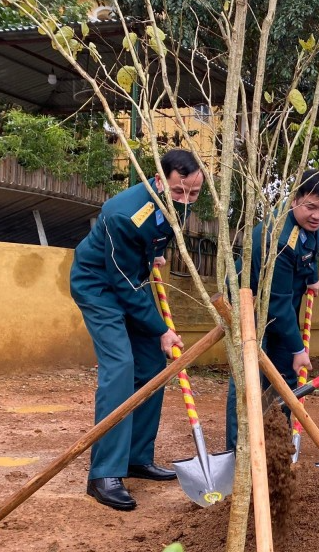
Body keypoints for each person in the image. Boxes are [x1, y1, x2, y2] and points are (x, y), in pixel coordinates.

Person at [70, 149, 204, 511]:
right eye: (179, 192)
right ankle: (103, 473)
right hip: (99, 287)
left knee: (151, 369)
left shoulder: (171, 206)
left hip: (130, 282)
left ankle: (135, 458)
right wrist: (161, 329)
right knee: (121, 368)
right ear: (159, 180)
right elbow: (125, 283)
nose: (186, 200)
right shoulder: (125, 213)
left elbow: (147, 247)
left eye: (193, 194)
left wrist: (152, 256)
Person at [225, 168, 319, 451]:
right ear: (295, 199)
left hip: (281, 302)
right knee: (251, 375)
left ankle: (274, 444)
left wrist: (312, 277)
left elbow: (313, 249)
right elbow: (277, 302)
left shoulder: (314, 223)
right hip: (249, 304)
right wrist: (300, 350)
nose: (317, 216)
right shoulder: (279, 238)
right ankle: (241, 450)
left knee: (284, 374)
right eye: (311, 206)